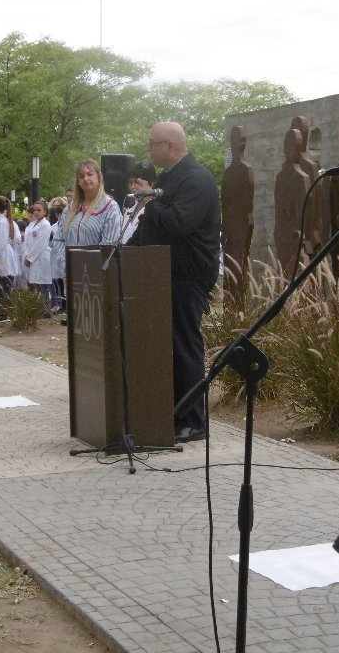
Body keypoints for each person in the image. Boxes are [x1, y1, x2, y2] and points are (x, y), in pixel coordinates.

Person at [128, 121, 221, 443]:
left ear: (170, 145)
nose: (149, 150)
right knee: (165, 345)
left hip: (188, 274)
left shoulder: (197, 179)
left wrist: (149, 203)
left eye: (152, 143)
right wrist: (124, 253)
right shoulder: (168, 177)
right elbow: (153, 226)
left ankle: (194, 420)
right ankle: (171, 411)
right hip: (160, 272)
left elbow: (179, 223)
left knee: (184, 345)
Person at [53, 158, 121, 250]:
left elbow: (109, 245)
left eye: (90, 174)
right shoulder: (70, 208)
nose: (86, 178)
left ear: (99, 176)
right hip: (68, 263)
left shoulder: (110, 207)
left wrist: (88, 263)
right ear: (78, 182)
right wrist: (65, 263)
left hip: (96, 263)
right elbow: (58, 239)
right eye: (81, 176)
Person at [23, 201, 52, 309]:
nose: (36, 212)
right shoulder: (31, 225)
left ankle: (45, 309)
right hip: (31, 257)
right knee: (34, 283)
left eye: (39, 210)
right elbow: (26, 242)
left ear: (45, 212)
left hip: (40, 258)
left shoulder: (45, 225)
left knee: (42, 283)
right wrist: (26, 255)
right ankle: (37, 308)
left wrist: (30, 258)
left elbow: (41, 244)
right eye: (34, 210)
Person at [120, 160, 157, 244]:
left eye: (136, 182)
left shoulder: (155, 210)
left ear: (150, 183)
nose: (133, 187)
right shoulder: (128, 211)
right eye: (130, 183)